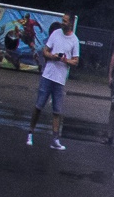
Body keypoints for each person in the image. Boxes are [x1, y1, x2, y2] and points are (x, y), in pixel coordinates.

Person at [29, 15, 79, 150]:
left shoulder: (74, 40)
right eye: (62, 21)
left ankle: (55, 139)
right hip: (48, 75)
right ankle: (30, 132)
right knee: (39, 105)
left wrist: (65, 60)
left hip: (60, 79)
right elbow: (45, 51)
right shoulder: (56, 33)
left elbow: (76, 61)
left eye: (65, 21)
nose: (63, 23)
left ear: (71, 23)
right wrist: (52, 56)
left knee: (57, 110)